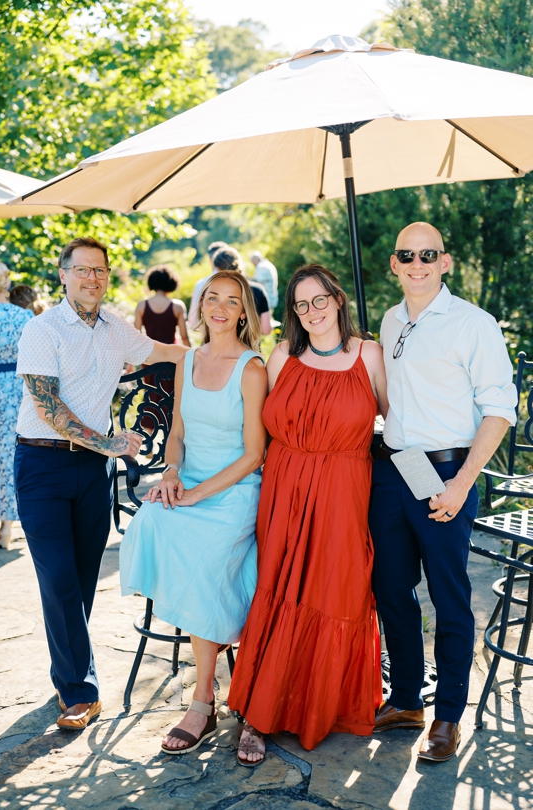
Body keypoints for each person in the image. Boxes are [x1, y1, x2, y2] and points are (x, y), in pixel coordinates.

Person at [15, 236, 187, 731]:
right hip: (42, 465)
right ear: (63, 274)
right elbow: (48, 408)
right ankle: (80, 691)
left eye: (100, 271)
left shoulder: (116, 327)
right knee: (59, 578)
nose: (93, 278)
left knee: (83, 579)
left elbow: (162, 352)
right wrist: (109, 442)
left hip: (92, 473)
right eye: (83, 270)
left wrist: (229, 355)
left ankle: (65, 672)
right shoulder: (41, 330)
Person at [226, 265, 389, 764]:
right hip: (284, 488)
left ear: (338, 300)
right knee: (278, 589)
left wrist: (436, 487)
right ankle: (258, 716)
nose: (311, 312)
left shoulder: (369, 354)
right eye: (300, 305)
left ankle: (321, 704)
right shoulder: (282, 357)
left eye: (319, 301)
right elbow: (256, 431)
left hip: (343, 488)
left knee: (333, 588)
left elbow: (399, 423)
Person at [369, 222, 517, 763]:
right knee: (391, 587)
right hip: (397, 467)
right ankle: (407, 698)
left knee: (450, 596)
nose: (417, 262)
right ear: (393, 262)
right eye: (406, 254)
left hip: (449, 469)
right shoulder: (390, 321)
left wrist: (462, 483)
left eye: (428, 253)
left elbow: (501, 406)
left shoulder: (472, 324)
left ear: (445, 261)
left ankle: (448, 717)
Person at [118, 270, 267, 754]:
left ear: (243, 311)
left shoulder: (252, 368)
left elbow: (253, 455)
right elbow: (177, 434)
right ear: (200, 305)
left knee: (203, 557)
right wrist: (171, 473)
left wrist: (200, 494)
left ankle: (202, 698)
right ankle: (219, 667)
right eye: (211, 299)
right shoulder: (189, 360)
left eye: (231, 301)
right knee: (150, 520)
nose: (219, 308)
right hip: (190, 484)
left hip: (235, 491)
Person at [0, 262, 33, 547]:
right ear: (6, 284)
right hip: (15, 387)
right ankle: (6, 528)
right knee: (10, 451)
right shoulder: (24, 317)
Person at [213, 247, 272, 335]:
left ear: (217, 269)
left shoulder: (213, 292)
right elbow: (266, 329)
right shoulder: (258, 290)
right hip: (251, 346)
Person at [134, 265, 192, 346]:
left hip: (151, 354)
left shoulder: (141, 306)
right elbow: (184, 337)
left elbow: (137, 337)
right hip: (171, 354)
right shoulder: (177, 306)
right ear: (171, 282)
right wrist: (191, 356)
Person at [186, 240, 228, 330]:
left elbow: (193, 319)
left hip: (208, 336)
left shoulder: (201, 284)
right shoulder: (243, 284)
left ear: (210, 259)